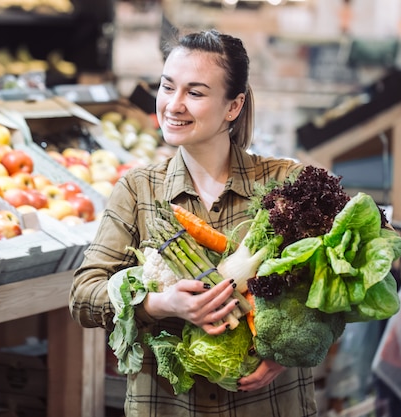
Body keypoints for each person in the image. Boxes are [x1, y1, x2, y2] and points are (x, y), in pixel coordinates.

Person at [69, 29, 317, 416]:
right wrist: (160, 304)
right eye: (168, 87)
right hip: (169, 405)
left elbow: (347, 282)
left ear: (233, 107)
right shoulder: (139, 189)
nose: (173, 105)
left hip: (266, 404)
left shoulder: (284, 183)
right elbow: (83, 296)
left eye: (195, 93)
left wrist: (290, 347)